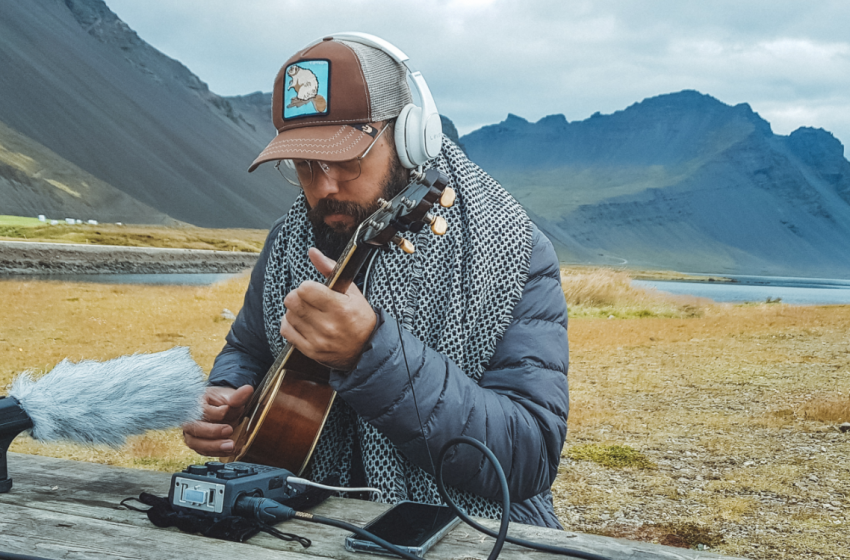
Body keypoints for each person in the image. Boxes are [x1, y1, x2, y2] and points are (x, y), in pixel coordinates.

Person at [182, 34, 570, 528]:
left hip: (469, 534)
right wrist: (226, 395)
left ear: (410, 137)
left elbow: (528, 456)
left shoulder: (513, 250)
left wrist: (369, 353)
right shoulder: (287, 240)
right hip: (309, 521)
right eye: (304, 165)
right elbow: (249, 348)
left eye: (346, 159)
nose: (324, 187)